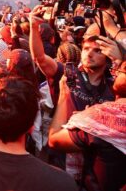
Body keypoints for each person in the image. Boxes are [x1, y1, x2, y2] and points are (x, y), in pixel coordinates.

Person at [49, 61, 126, 191]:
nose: (116, 71)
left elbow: (54, 140)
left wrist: (63, 96)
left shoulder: (101, 120)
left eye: (123, 69)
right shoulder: (97, 116)